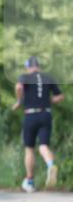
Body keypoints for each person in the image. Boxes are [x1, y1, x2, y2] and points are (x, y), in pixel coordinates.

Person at [12, 56, 64, 192]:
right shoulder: (48, 78)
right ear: (38, 66)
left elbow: (18, 87)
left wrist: (19, 100)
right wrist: (49, 100)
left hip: (31, 114)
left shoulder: (25, 77)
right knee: (43, 146)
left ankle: (29, 181)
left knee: (29, 149)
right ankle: (50, 164)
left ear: (28, 67)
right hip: (46, 114)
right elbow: (60, 96)